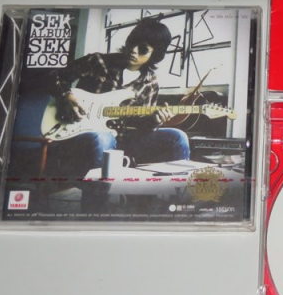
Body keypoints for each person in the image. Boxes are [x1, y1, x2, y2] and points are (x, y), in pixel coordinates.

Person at [48, 17, 190, 180]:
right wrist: (67, 96)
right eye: (132, 43)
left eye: (143, 49)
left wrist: (155, 120)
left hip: (125, 140)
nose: (133, 50)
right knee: (102, 138)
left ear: (155, 54)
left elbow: (142, 127)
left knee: (178, 137)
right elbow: (55, 76)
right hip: (82, 132)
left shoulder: (150, 83)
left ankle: (172, 191)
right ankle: (96, 194)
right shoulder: (98, 62)